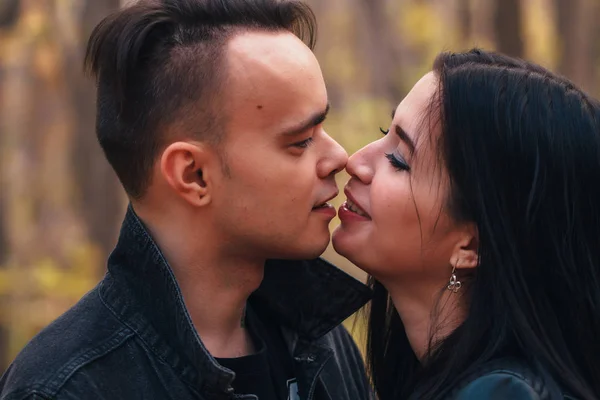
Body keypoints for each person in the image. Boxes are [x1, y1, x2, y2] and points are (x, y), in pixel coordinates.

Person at [0, 1, 373, 399]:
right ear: (193, 174)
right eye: (300, 141)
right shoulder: (65, 389)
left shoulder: (321, 343)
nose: (339, 158)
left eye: (323, 127)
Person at [332, 48, 600, 400]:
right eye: (386, 131)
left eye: (399, 160)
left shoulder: (501, 393)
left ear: (470, 246)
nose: (354, 161)